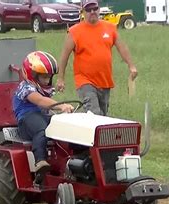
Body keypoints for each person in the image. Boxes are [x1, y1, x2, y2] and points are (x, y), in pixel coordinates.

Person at [56, 0, 137, 116]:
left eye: (95, 8)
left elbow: (122, 47)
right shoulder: (74, 31)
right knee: (94, 115)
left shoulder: (110, 28)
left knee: (103, 117)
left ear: (99, 9)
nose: (92, 11)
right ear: (83, 12)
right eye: (88, 9)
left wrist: (131, 66)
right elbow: (64, 56)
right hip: (85, 81)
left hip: (105, 81)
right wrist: (60, 78)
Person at [13, 51, 74, 187]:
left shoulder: (45, 88)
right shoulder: (26, 87)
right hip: (27, 119)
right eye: (44, 77)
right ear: (33, 75)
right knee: (42, 130)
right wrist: (61, 106)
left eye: (49, 77)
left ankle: (71, 160)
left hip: (42, 116)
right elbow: (40, 100)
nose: (47, 81)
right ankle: (40, 161)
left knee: (64, 127)